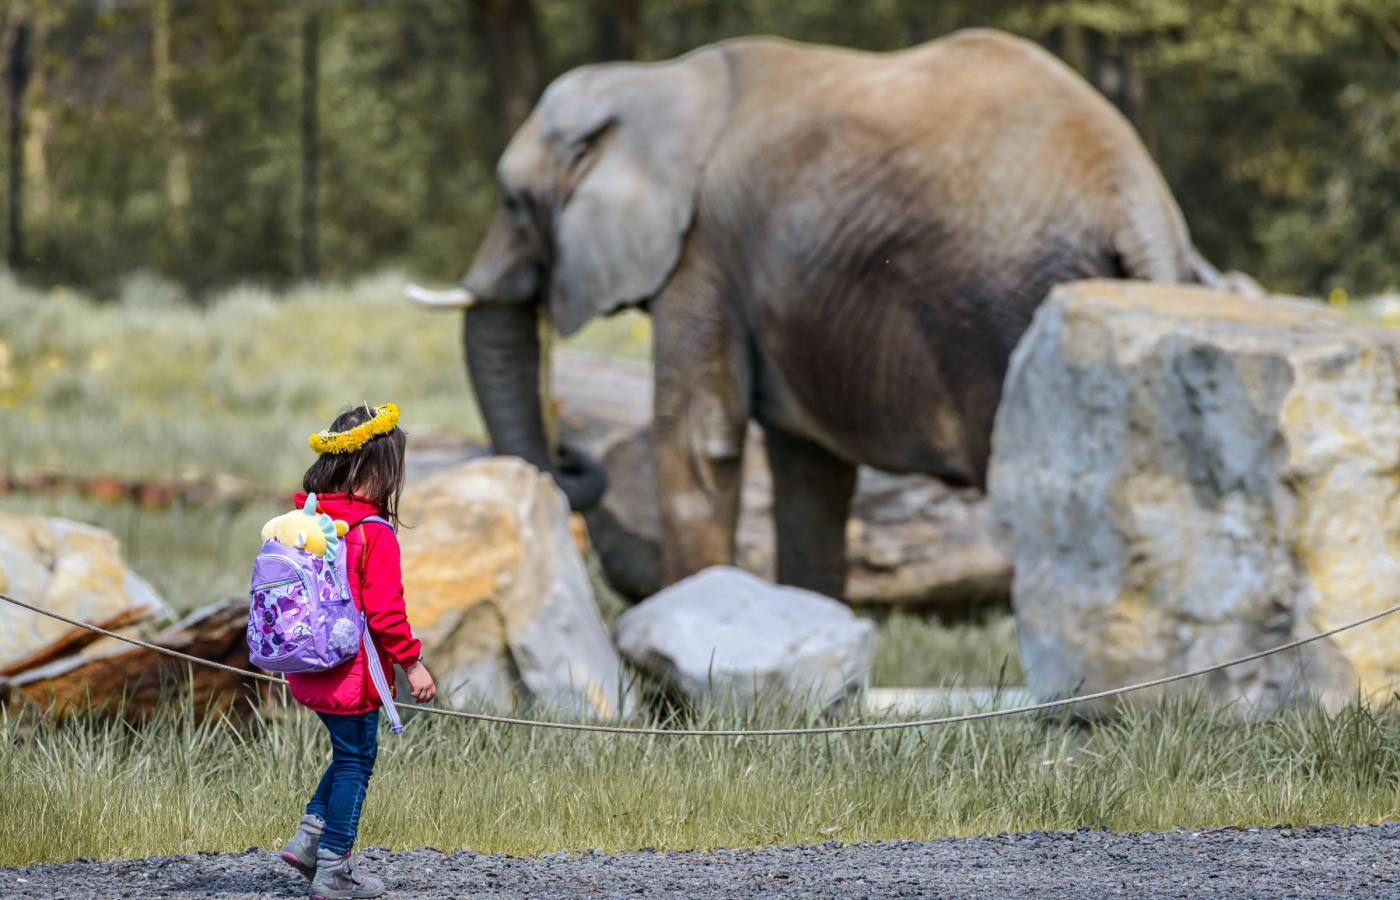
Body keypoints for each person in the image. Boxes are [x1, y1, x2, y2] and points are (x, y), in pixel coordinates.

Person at [277, 404, 436, 900]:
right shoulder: (373, 533)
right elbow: (387, 615)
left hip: (307, 665)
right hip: (353, 675)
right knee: (356, 762)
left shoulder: (307, 519)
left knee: (348, 753)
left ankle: (307, 842)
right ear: (374, 472)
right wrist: (413, 664)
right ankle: (334, 869)